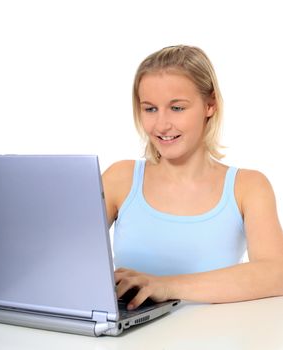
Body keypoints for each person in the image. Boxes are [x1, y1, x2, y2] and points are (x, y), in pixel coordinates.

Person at [102, 45, 283, 310]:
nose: (161, 125)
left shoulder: (247, 187)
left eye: (176, 108)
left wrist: (166, 286)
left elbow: (277, 274)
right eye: (150, 109)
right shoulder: (121, 178)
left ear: (210, 105)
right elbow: (64, 252)